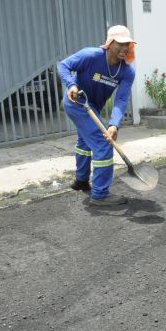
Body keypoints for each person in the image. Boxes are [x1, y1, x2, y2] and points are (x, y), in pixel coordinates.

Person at [58, 25, 137, 206]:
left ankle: (81, 180)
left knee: (86, 142)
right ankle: (100, 194)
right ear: (109, 44)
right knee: (103, 143)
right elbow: (63, 65)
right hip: (77, 102)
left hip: (92, 106)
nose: (125, 48)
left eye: (128, 45)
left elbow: (121, 100)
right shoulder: (91, 56)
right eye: (120, 44)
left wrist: (114, 124)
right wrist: (71, 84)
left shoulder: (127, 71)